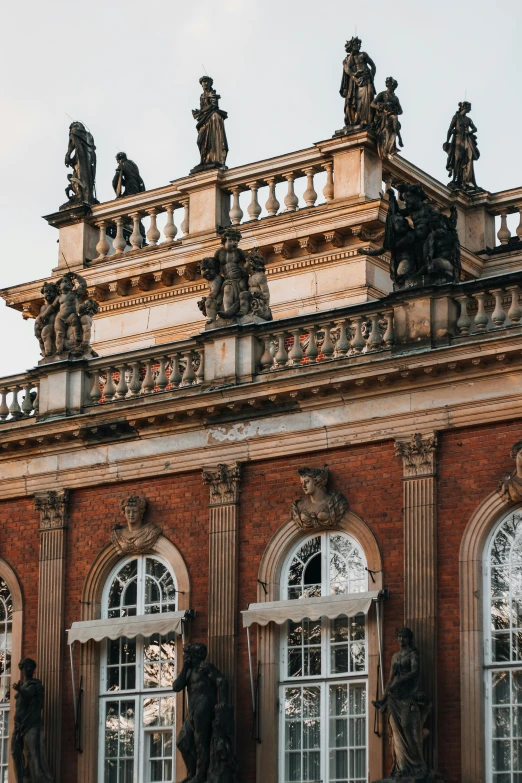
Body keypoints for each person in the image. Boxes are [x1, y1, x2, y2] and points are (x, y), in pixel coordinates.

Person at [372, 628, 430, 779]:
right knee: (396, 732)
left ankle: (416, 764)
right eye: (399, 636)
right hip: (394, 698)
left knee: (406, 726)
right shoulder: (395, 656)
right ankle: (402, 767)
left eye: (404, 637)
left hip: (407, 696)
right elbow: (391, 679)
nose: (401, 640)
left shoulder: (413, 654)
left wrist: (400, 681)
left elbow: (414, 672)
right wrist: (383, 699)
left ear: (409, 639)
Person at [173, 643, 228, 783]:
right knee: (182, 742)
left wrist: (223, 703)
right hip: (192, 711)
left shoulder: (205, 668)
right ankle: (191, 773)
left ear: (193, 655)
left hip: (204, 709)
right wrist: (185, 667)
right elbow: (176, 687)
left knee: (201, 742)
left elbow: (221, 680)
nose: (184, 656)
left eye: (187, 654)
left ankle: (201, 775)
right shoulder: (189, 671)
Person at [11, 658, 53, 783]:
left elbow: (29, 694)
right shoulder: (23, 686)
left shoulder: (35, 685)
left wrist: (20, 691)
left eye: (31, 667)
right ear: (22, 669)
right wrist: (20, 690)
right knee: (14, 752)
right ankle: (20, 779)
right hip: (19, 726)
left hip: (30, 724)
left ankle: (42, 779)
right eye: (27, 667)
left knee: (35, 754)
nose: (29, 669)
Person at [340, 36, 376, 129]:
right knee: (353, 102)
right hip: (354, 83)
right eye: (356, 44)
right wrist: (354, 75)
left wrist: (371, 77)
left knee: (366, 101)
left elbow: (373, 66)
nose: (358, 46)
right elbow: (347, 69)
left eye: (359, 44)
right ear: (352, 45)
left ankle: (365, 120)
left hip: (366, 80)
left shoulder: (363, 55)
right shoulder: (347, 59)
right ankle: (354, 121)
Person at [192, 76, 228, 169]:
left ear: (210, 83)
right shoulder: (202, 96)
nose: (205, 84)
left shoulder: (212, 93)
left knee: (212, 139)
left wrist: (201, 112)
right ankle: (204, 160)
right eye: (203, 82)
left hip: (212, 117)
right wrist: (198, 112)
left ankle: (213, 159)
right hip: (204, 119)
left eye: (207, 82)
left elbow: (213, 105)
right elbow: (203, 108)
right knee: (200, 140)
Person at [443, 101, 480, 190]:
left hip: (466, 140)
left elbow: (475, 128)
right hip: (457, 141)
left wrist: (469, 132)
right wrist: (447, 141)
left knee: (467, 159)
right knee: (457, 159)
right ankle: (455, 179)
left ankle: (465, 180)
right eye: (469, 108)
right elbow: (450, 129)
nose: (469, 110)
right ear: (464, 108)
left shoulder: (468, 119)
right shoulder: (456, 117)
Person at [213, 229, 249, 319]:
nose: (234, 243)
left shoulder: (239, 252)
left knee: (243, 290)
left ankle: (239, 309)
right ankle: (227, 312)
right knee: (227, 292)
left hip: (240, 277)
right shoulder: (219, 253)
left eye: (236, 241)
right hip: (228, 279)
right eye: (231, 240)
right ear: (224, 241)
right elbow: (214, 267)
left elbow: (248, 262)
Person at [53, 272, 87, 354]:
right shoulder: (59, 298)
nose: (67, 283)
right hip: (60, 318)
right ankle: (59, 349)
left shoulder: (74, 294)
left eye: (69, 282)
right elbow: (52, 307)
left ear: (72, 286)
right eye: (64, 281)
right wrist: (44, 315)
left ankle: (78, 339)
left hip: (71, 316)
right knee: (59, 333)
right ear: (59, 287)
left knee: (74, 319)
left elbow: (83, 284)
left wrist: (76, 276)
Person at [372, 77, 403, 158]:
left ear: (393, 86)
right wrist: (379, 107)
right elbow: (372, 104)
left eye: (389, 83)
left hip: (392, 116)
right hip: (384, 115)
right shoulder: (383, 94)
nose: (388, 85)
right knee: (393, 123)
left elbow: (401, 111)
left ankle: (392, 145)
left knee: (394, 120)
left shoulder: (396, 98)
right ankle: (398, 140)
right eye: (387, 83)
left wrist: (395, 110)